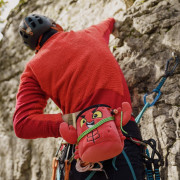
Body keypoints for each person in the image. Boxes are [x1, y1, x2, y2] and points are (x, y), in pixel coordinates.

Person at [13, 14, 145, 179]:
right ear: (55, 25)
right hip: (122, 130)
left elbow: (23, 123)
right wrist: (115, 26)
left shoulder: (33, 68)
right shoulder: (92, 34)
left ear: (34, 48)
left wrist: (75, 120)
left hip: (83, 144)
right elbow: (109, 22)